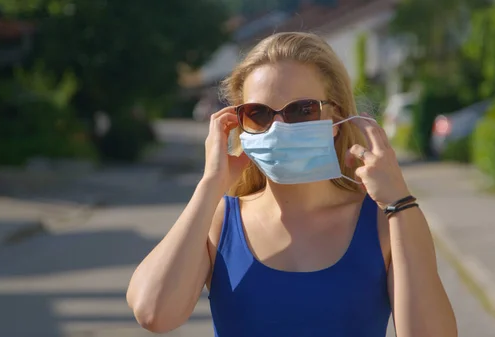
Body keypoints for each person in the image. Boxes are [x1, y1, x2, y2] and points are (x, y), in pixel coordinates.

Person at [126, 32, 457, 337]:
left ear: (335, 120)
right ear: (239, 123)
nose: (279, 127)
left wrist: (398, 200)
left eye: (301, 110)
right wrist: (212, 183)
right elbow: (153, 313)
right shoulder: (220, 222)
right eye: (259, 113)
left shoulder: (385, 221)